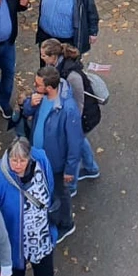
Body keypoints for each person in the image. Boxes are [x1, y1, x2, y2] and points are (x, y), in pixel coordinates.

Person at [0, 138, 56, 276]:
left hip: (41, 239)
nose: (17, 165)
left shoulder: (41, 160)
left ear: (29, 158)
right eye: (13, 160)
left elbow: (50, 187)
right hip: (14, 246)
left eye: (22, 161)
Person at [19, 66, 83, 237]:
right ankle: (50, 215)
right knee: (46, 190)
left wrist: (70, 170)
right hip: (38, 156)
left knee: (61, 194)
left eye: (38, 84)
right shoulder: (40, 97)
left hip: (56, 163)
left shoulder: (68, 109)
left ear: (49, 87)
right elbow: (26, 112)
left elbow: (75, 143)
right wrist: (29, 104)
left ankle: (66, 223)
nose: (35, 86)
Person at [39, 40, 101, 181]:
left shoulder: (72, 76)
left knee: (74, 145)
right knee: (80, 141)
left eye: (44, 56)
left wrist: (72, 126)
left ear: (53, 56)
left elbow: (79, 103)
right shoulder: (56, 67)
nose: (42, 58)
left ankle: (73, 182)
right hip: (79, 115)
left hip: (84, 116)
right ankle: (91, 168)